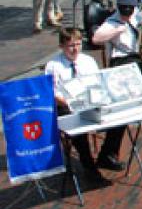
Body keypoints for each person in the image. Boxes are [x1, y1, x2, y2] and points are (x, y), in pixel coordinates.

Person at [45, 28, 126, 185]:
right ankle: (88, 167)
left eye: (78, 44)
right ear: (61, 46)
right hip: (66, 106)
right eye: (70, 46)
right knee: (78, 129)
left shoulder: (87, 61)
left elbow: (98, 83)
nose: (75, 49)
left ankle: (107, 155)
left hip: (90, 103)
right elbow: (51, 93)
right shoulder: (53, 65)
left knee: (121, 117)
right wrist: (69, 103)